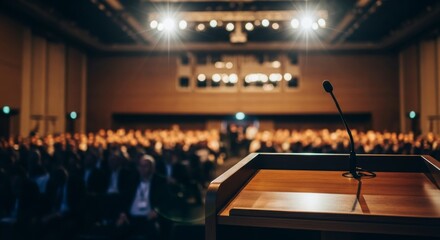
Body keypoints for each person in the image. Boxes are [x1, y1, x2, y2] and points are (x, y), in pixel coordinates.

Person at [115, 154, 165, 240]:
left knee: (153, 231)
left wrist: (156, 211)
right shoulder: (132, 181)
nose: (142, 169)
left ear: (152, 168)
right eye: (140, 166)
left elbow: (163, 201)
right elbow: (123, 199)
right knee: (118, 230)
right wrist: (122, 213)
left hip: (148, 218)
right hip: (131, 217)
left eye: (146, 166)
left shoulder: (158, 183)